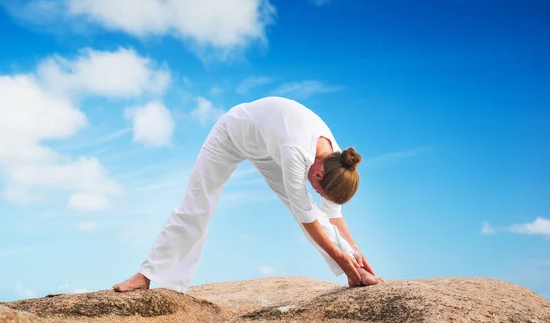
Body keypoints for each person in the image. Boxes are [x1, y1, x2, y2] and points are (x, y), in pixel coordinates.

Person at [113, 96, 384, 293]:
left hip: (267, 147)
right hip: (231, 135)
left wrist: (354, 251)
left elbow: (331, 212)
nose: (314, 191)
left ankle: (356, 271)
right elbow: (306, 216)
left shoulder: (335, 159)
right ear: (318, 176)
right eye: (316, 188)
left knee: (308, 209)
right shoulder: (295, 153)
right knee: (197, 203)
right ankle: (146, 275)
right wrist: (338, 257)